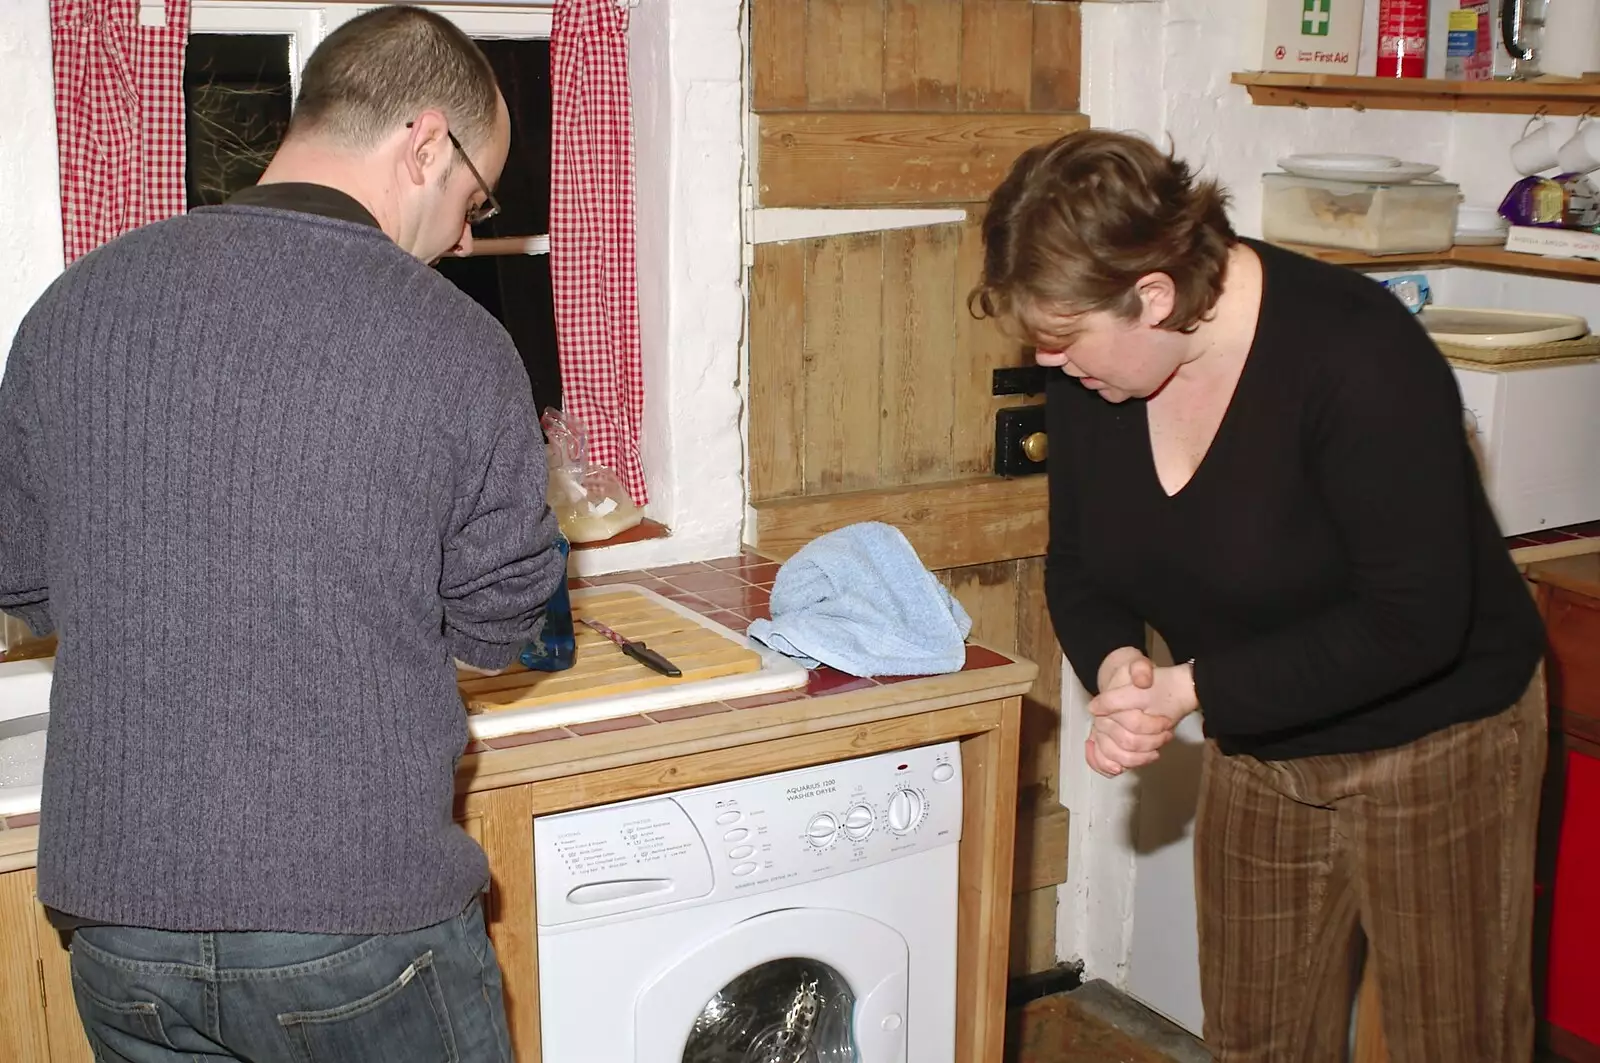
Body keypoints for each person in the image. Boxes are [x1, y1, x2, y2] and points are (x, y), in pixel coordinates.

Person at [0, 7, 564, 1061]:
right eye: (473, 199)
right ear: (425, 144)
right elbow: (498, 622)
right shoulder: (452, 340)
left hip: (118, 921)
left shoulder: (72, 306)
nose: (465, 238)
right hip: (355, 918)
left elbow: (24, 577)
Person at [973, 129, 1547, 1063]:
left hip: (1442, 742)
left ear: (1152, 295)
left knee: (1456, 1040)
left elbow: (1416, 621)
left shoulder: (1358, 354)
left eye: (1064, 336)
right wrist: (1122, 666)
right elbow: (1078, 562)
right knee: (1258, 1044)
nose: (1049, 363)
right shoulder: (1095, 374)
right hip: (1265, 741)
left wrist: (1189, 688)